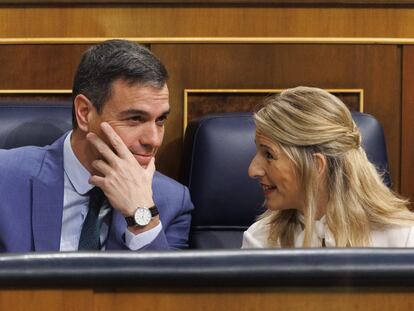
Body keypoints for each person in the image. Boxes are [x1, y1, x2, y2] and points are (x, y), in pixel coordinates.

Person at [0, 39, 193, 252]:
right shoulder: (5, 178)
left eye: (160, 120)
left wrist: (142, 218)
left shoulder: (171, 201)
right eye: (135, 118)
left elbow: (165, 285)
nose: (154, 140)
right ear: (84, 113)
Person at [242, 86, 414, 248]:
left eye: (269, 155)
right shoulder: (260, 241)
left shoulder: (404, 240)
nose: (253, 170)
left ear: (316, 165)